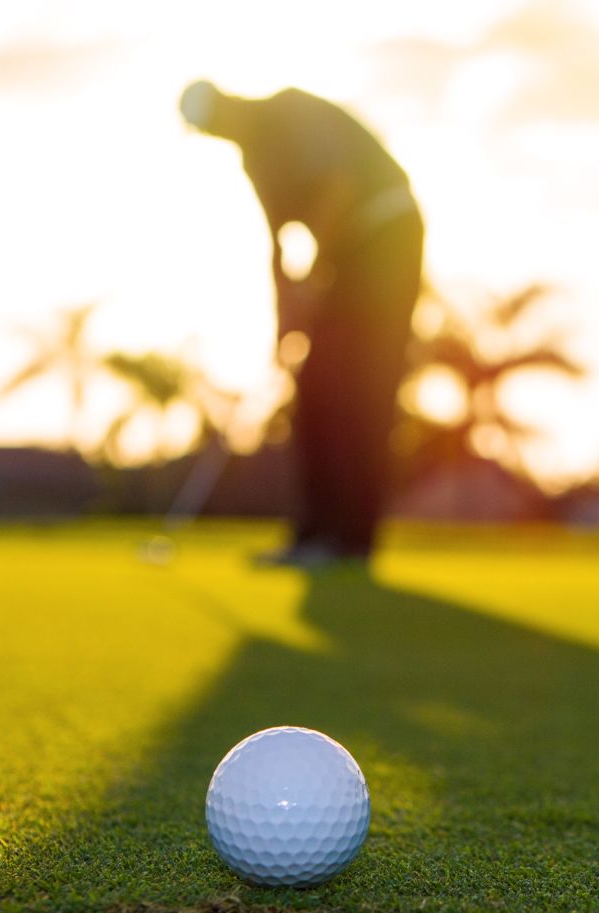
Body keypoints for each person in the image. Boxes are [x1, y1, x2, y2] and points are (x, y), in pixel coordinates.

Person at [179, 81, 424, 568]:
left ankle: (349, 539)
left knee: (359, 388)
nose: (218, 133)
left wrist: (314, 277)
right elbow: (278, 244)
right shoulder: (252, 159)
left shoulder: (290, 111)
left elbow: (337, 185)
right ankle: (314, 535)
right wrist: (286, 316)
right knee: (315, 387)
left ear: (229, 104)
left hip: (387, 236)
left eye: (215, 123)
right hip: (343, 258)